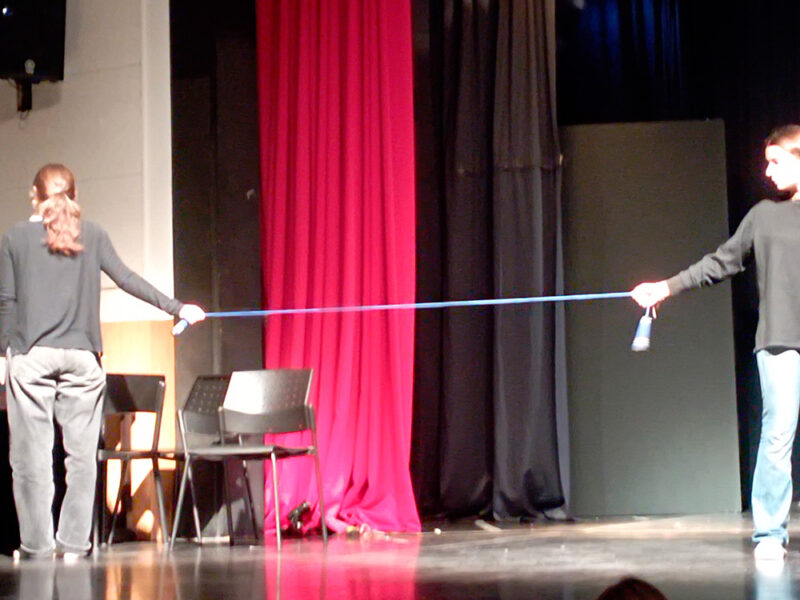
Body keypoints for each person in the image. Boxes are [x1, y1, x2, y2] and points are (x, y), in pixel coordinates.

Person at [0, 164, 205, 560]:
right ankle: (74, 545)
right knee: (81, 459)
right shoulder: (91, 234)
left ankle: (37, 546)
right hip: (83, 361)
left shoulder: (15, 237)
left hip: (32, 358)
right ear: (75, 195)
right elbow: (127, 279)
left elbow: (6, 301)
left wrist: (6, 351)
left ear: (33, 196)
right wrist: (178, 308)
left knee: (31, 459)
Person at [631, 124, 800, 562]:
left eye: (776, 161)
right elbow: (721, 262)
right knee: (777, 436)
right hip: (781, 341)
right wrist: (665, 287)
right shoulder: (764, 216)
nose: (767, 171)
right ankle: (770, 534)